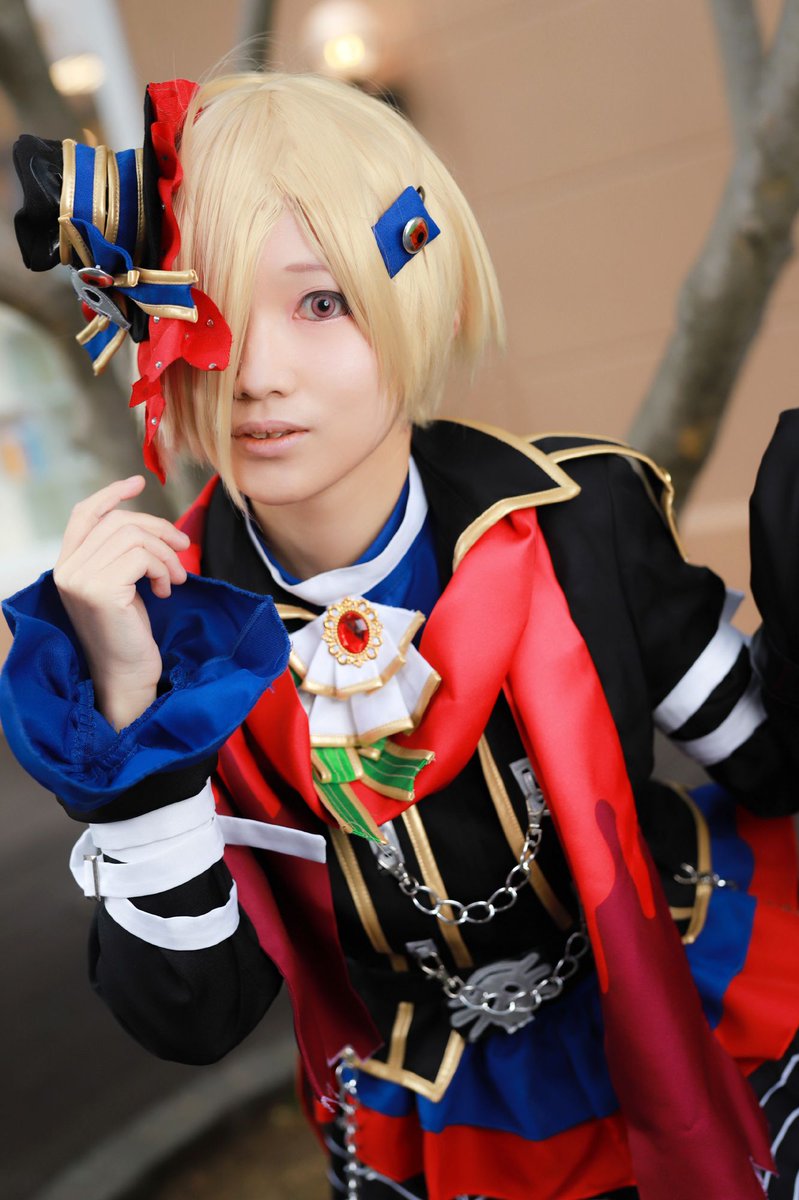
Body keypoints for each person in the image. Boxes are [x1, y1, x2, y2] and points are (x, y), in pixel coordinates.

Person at [3, 70, 799, 1200]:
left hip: (694, 1000)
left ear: (416, 294)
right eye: (207, 308)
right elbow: (195, 1016)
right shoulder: (168, 640)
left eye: (320, 302)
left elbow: (776, 766)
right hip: (438, 1112)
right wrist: (134, 712)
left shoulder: (583, 523)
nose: (257, 373)